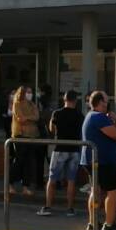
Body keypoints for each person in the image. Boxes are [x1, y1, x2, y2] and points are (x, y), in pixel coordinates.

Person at [82, 90, 116, 230]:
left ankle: (93, 222)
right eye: (106, 101)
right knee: (113, 191)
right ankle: (109, 223)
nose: (108, 104)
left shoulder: (90, 115)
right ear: (100, 103)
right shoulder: (100, 117)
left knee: (96, 190)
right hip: (103, 161)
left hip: (92, 159)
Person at [39, 89, 82, 217]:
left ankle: (47, 207)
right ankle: (70, 209)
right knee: (71, 181)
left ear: (64, 99)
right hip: (74, 149)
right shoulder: (80, 114)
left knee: (52, 179)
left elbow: (52, 129)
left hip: (60, 148)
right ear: (75, 100)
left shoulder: (57, 113)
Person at [10, 85, 41, 196]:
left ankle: (25, 187)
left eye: (31, 92)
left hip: (32, 136)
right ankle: (10, 183)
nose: (30, 94)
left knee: (28, 162)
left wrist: (27, 118)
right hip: (20, 135)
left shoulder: (33, 104)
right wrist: (29, 117)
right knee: (19, 160)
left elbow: (37, 117)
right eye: (27, 92)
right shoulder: (17, 104)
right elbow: (20, 118)